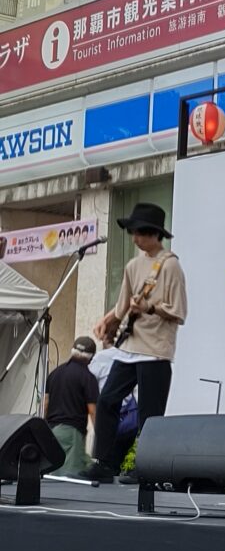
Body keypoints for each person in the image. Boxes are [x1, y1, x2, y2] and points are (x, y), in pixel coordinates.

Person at [80, 203, 187, 483]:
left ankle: (147, 467)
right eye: (133, 232)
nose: (135, 238)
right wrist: (107, 322)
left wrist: (150, 308)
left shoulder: (170, 265)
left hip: (156, 350)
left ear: (154, 233)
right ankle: (105, 463)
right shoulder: (132, 265)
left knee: (150, 414)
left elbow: (178, 311)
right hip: (130, 347)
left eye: (139, 232)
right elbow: (122, 306)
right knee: (107, 400)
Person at [43, 337, 100, 477]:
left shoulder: (55, 373)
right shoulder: (88, 377)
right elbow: (92, 411)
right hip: (72, 433)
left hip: (52, 431)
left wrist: (44, 427)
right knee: (71, 478)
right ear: (91, 357)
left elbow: (45, 404)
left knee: (53, 474)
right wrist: (100, 435)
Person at [88, 338, 141, 484]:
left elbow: (89, 381)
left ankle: (104, 466)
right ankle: (109, 467)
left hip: (112, 418)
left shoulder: (102, 357)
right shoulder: (131, 355)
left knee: (106, 401)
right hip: (129, 418)